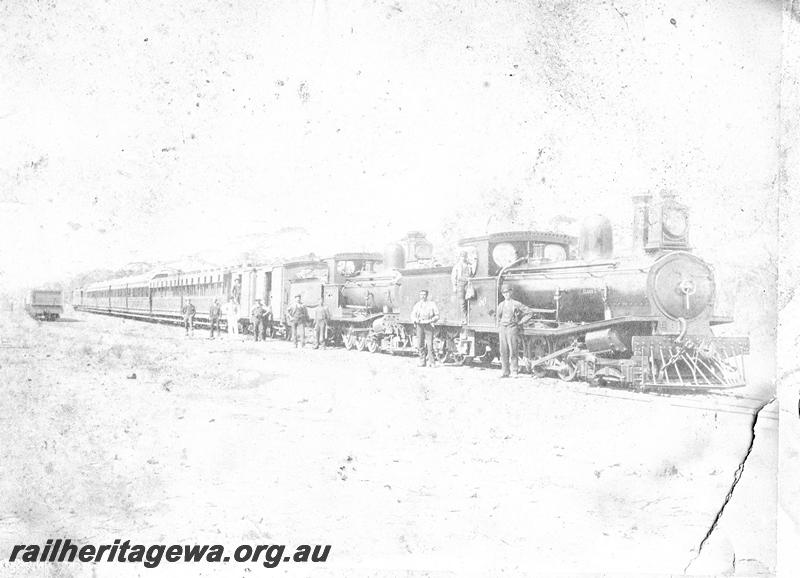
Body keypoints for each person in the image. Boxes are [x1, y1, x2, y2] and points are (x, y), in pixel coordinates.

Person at [496, 284, 532, 378]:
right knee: (503, 351)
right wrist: (500, 325)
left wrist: (520, 322)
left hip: (512, 328)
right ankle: (505, 371)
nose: (506, 294)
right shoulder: (501, 305)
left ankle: (514, 371)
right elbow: (498, 316)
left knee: (513, 350)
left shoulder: (516, 304)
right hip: (503, 329)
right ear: (503, 294)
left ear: (510, 293)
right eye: (504, 293)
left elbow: (529, 312)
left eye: (508, 292)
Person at [411, 289, 439, 367]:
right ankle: (422, 361)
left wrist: (431, 320)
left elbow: (437, 315)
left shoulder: (432, 304)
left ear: (427, 295)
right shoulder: (417, 305)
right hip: (419, 326)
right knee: (420, 344)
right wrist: (415, 320)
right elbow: (413, 315)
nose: (422, 296)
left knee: (430, 344)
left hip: (428, 325)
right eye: (421, 295)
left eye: (424, 295)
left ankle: (432, 362)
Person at [451, 250, 473, 324]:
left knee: (470, 298)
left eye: (464, 256)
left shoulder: (469, 265)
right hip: (460, 284)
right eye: (462, 256)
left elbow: (471, 274)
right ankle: (464, 318)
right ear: (460, 257)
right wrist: (454, 286)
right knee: (462, 301)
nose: (463, 258)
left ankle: (469, 316)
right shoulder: (457, 266)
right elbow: (454, 276)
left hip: (468, 283)